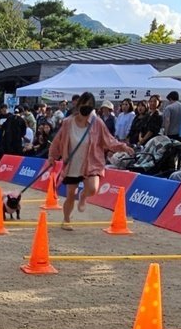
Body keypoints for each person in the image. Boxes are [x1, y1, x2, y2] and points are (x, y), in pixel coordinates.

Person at [48, 93, 133, 228]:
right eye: (84, 105)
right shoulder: (67, 123)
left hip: (91, 162)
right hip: (72, 164)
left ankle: (83, 196)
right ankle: (66, 219)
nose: (86, 108)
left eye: (89, 106)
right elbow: (57, 141)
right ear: (78, 105)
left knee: (93, 188)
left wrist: (123, 147)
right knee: (70, 194)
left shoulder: (97, 123)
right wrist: (52, 156)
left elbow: (109, 140)